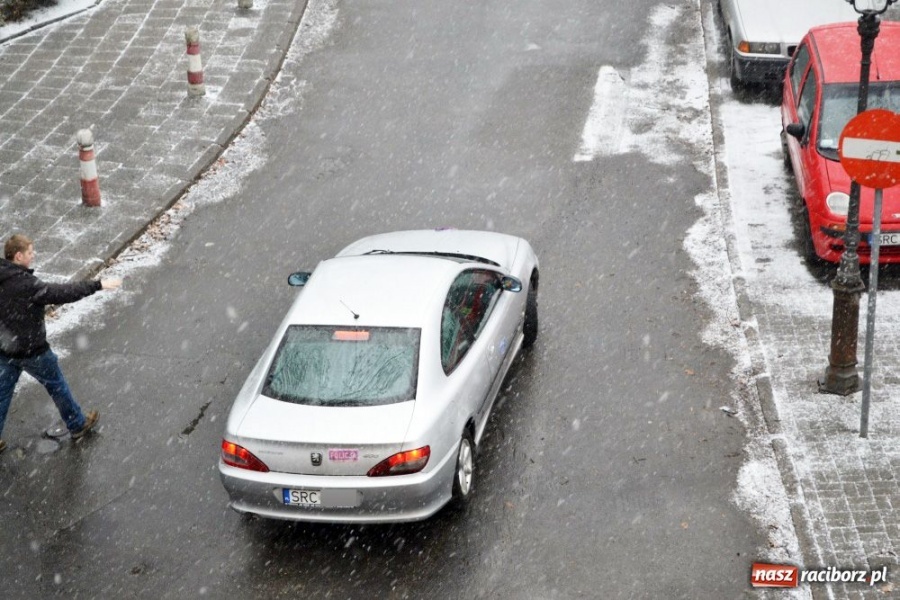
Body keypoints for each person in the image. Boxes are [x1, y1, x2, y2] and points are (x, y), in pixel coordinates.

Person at [0, 234, 122, 453]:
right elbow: (62, 293)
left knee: (2, 393)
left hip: (5, 350)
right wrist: (97, 285)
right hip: (32, 350)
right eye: (30, 252)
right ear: (18, 256)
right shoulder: (27, 285)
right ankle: (77, 424)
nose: (33, 254)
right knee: (57, 386)